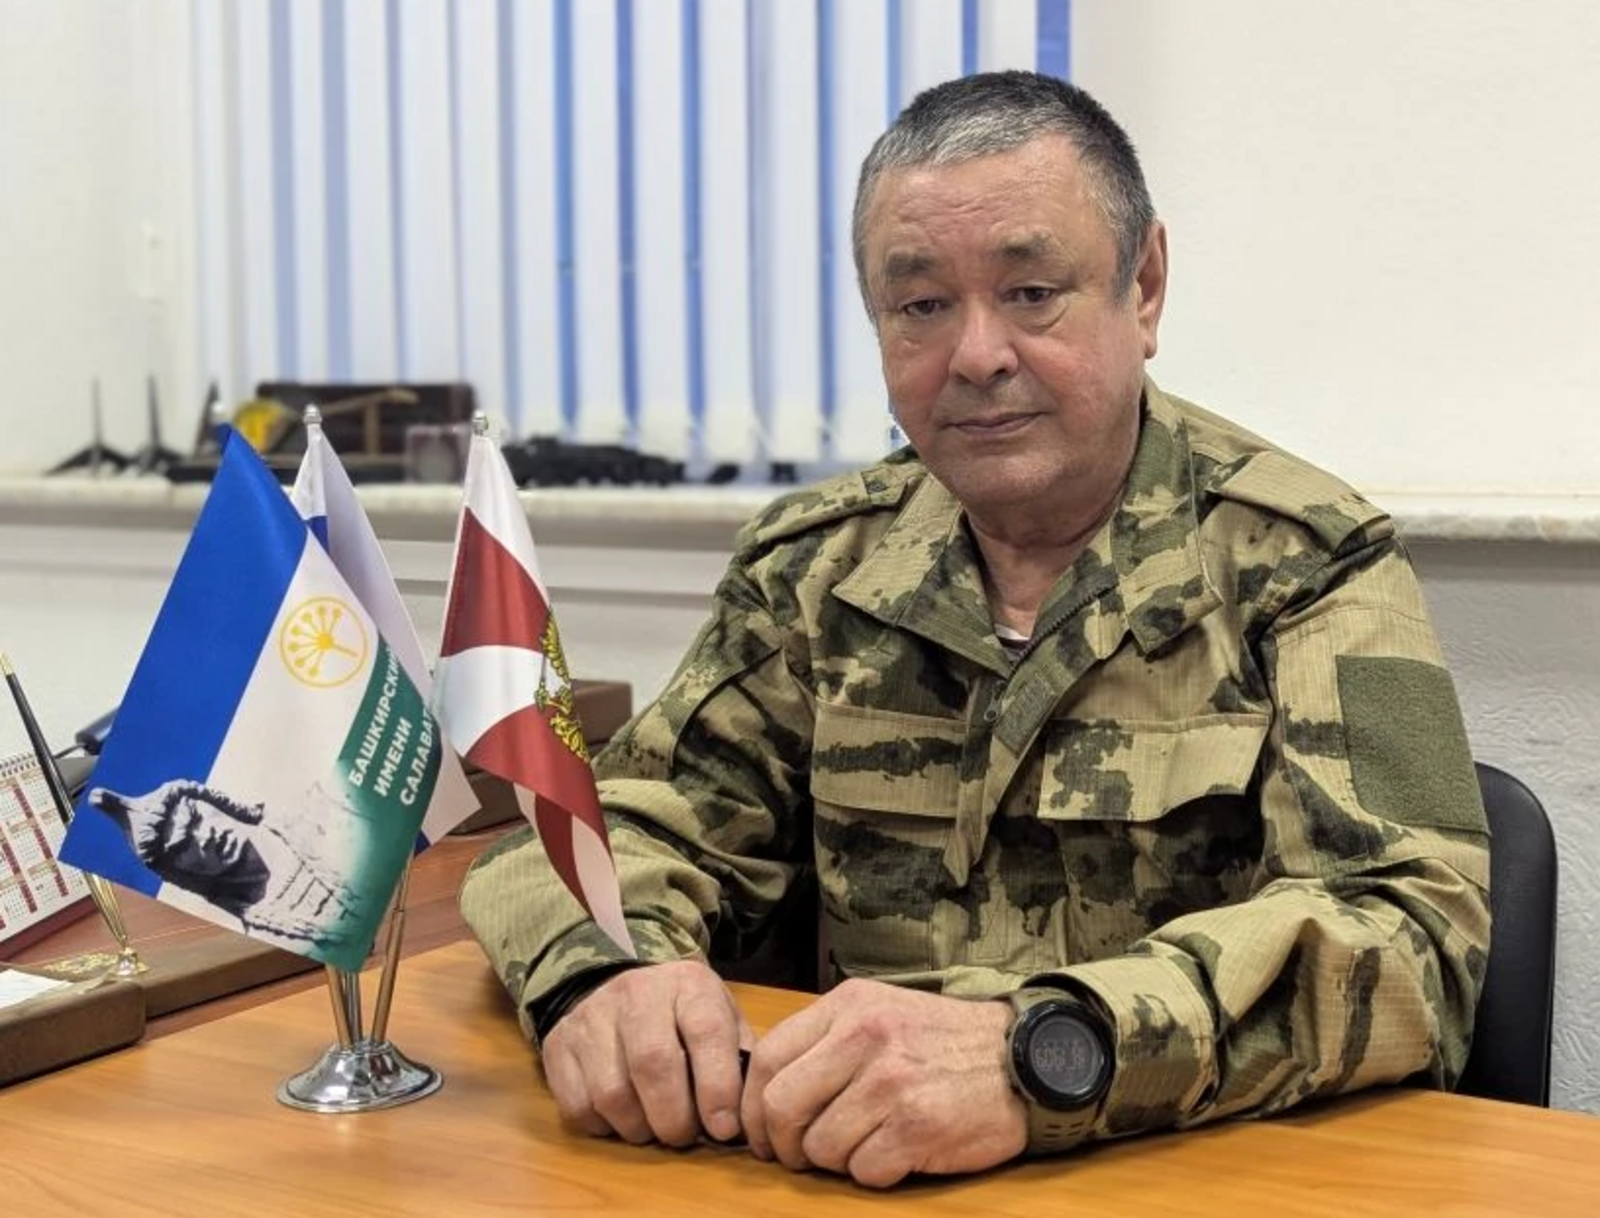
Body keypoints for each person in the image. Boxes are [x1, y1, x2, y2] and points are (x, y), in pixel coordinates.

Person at [460, 70, 1490, 1188]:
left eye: (1032, 292)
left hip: (1185, 1179)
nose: (977, 354)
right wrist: (605, 974)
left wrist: (1045, 1052)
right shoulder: (814, 571)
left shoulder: (1307, 560)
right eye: (920, 307)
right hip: (854, 1173)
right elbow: (603, 834)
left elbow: (1414, 935)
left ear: (1143, 288)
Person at [90, 778, 359, 950]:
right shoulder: (262, 941)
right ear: (180, 873)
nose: (205, 837)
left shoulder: (329, 815)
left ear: (215, 802)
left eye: (196, 817)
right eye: (183, 846)